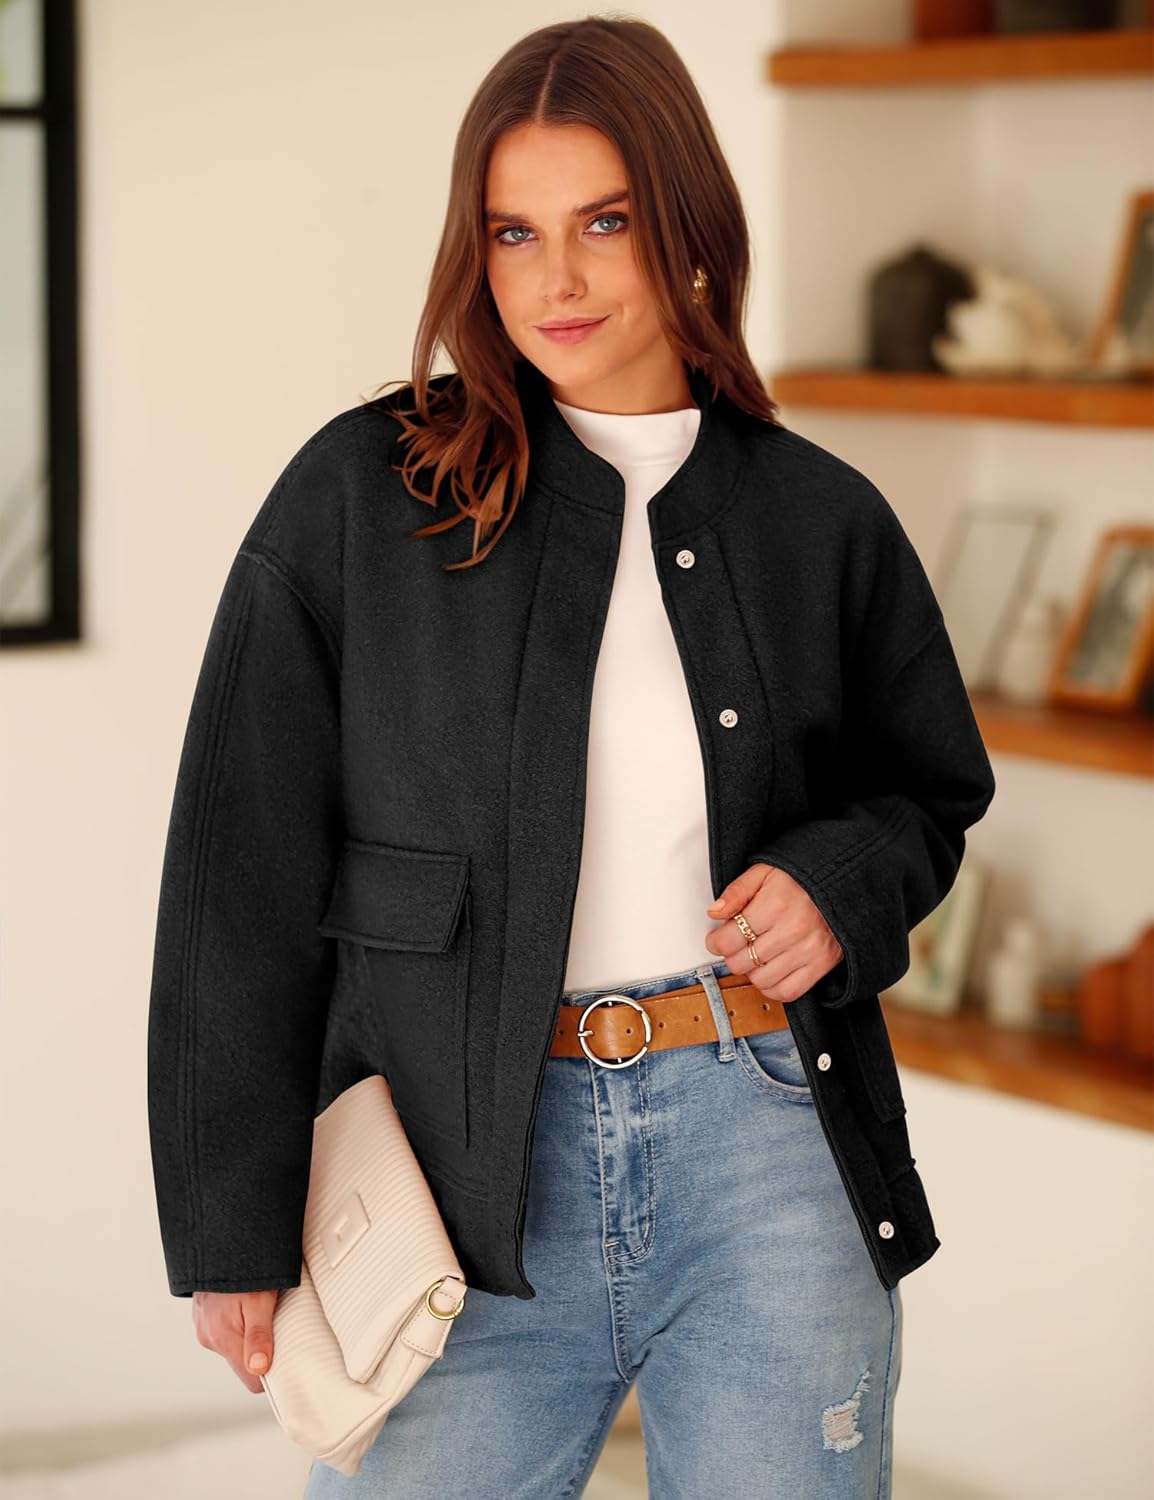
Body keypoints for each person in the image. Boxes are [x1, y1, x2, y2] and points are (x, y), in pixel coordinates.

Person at [146, 16, 996, 1498]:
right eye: (513, 233)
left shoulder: (819, 519)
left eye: (604, 223)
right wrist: (230, 1224)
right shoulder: (363, 500)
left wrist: (834, 884)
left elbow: (929, 791)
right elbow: (239, 877)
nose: (557, 280)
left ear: (685, 229)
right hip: (453, 1169)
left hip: (764, 1149)